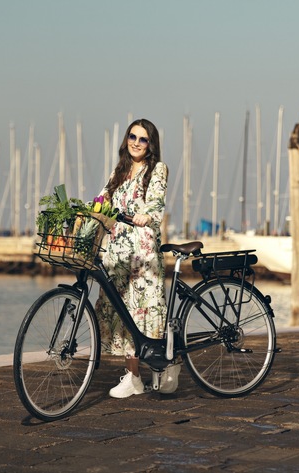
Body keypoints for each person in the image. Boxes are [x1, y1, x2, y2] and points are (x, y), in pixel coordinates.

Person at [94, 118, 180, 398]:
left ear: (151, 144)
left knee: (144, 313)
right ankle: (133, 377)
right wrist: (89, 210)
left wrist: (147, 215)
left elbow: (156, 204)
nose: (136, 143)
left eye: (143, 139)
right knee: (122, 316)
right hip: (117, 252)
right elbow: (102, 200)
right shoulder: (119, 171)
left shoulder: (157, 169)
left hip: (142, 254)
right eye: (132, 136)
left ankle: (169, 362)